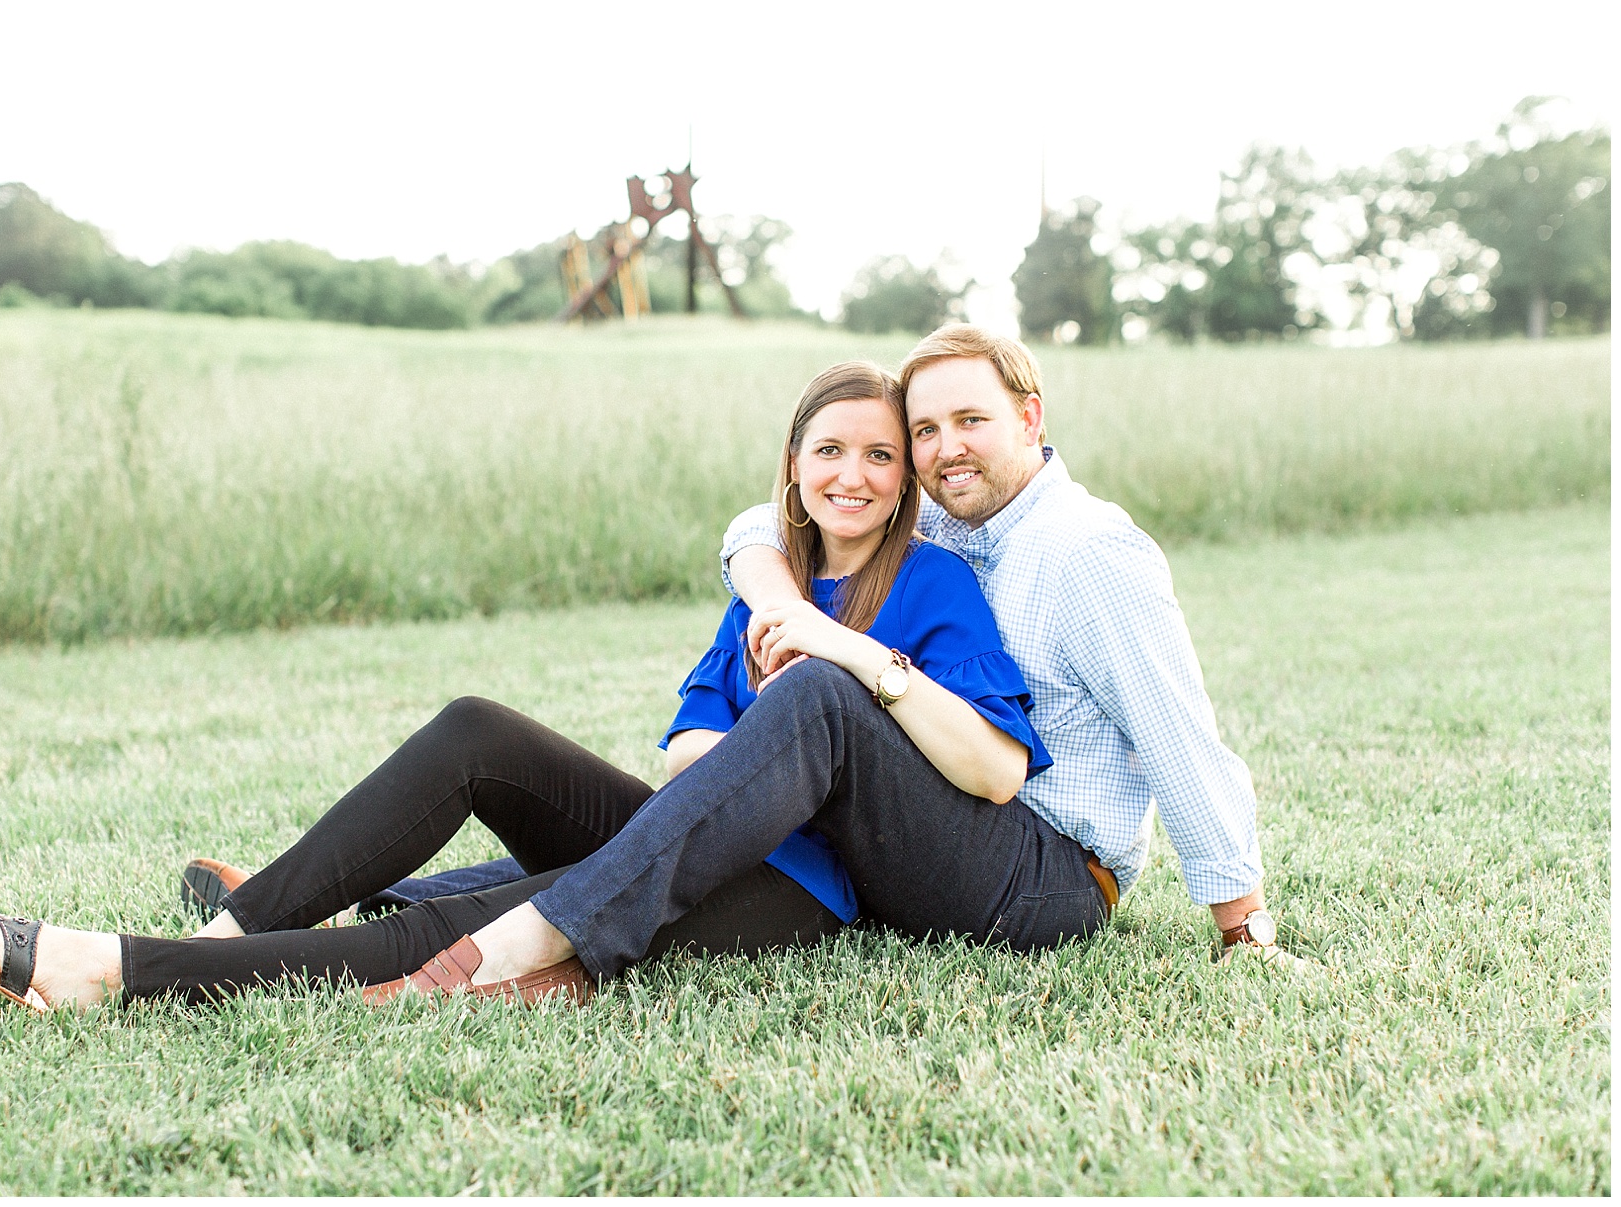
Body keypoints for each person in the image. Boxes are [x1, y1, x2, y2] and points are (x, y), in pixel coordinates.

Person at [0, 360, 1057, 1011]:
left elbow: (980, 762)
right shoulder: (771, 582)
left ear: (905, 480)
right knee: (479, 729)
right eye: (830, 451)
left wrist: (838, 681)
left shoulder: (936, 587)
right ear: (794, 472)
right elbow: (687, 758)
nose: (852, 473)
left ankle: (118, 972)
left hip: (801, 891)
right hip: (704, 825)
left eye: (879, 455)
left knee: (498, 913)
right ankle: (241, 920)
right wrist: (763, 716)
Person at [333, 323, 1303, 992]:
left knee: (824, 699)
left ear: (1031, 417)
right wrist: (781, 599)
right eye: (926, 432)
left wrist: (1242, 925)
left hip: (1044, 872)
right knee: (725, 807)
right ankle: (385, 903)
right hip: (926, 823)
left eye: (971, 421)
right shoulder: (960, 522)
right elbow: (767, 516)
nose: (945, 449)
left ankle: (541, 942)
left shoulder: (1089, 554)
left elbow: (1182, 740)